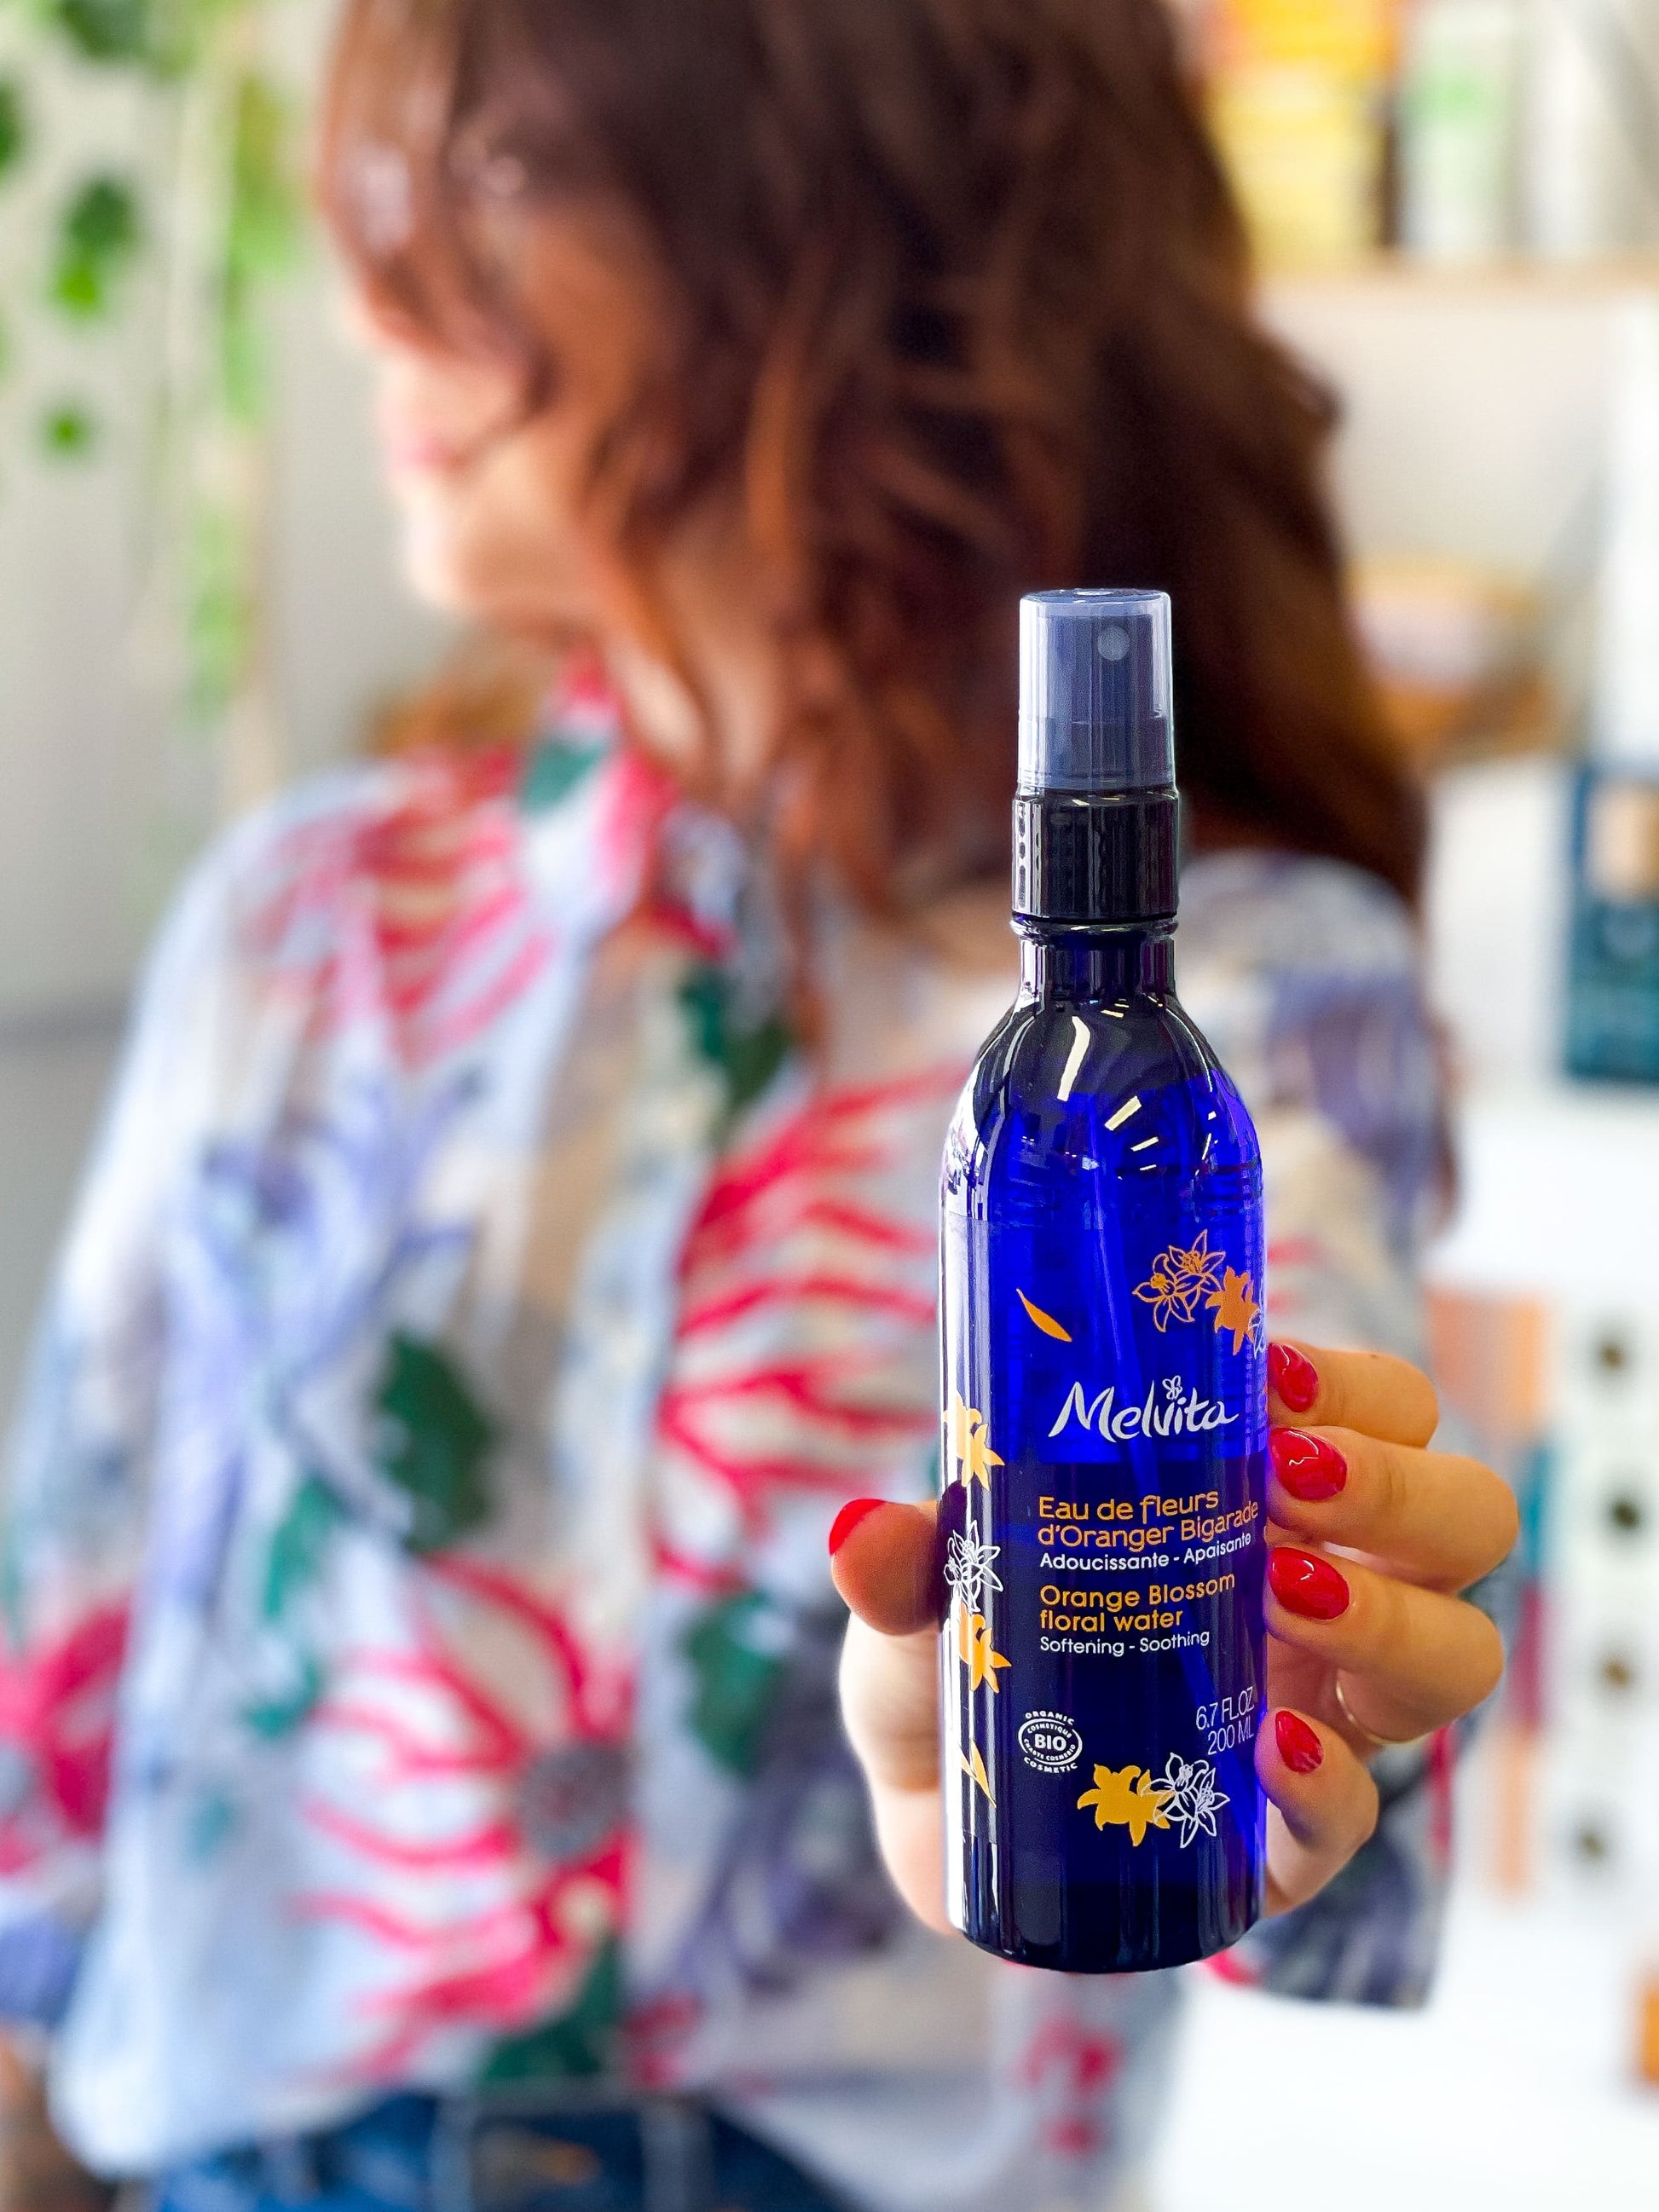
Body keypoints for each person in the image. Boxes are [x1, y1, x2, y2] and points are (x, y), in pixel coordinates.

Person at [0, 1, 1516, 2208]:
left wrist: (1306, 1708)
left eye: (489, 179)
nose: (368, 302)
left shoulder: (1229, 1014)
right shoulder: (306, 928)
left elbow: (1321, 1826)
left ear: (823, 224)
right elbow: (54, 1747)